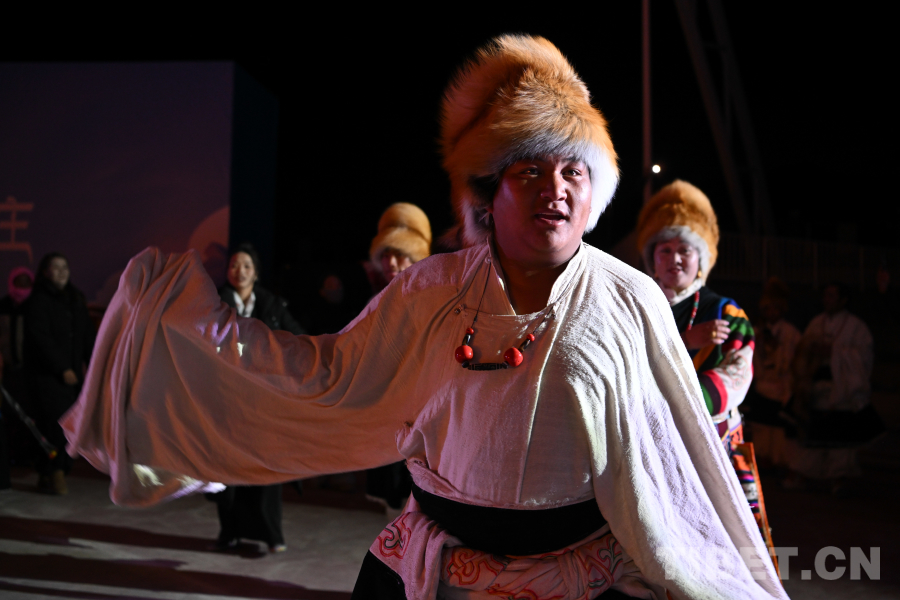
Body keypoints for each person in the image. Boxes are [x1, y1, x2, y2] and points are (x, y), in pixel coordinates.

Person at [63, 36, 785, 599]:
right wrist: (195, 326)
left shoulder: (630, 298)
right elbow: (325, 378)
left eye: (573, 171)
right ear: (490, 193)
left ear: (594, 191)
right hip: (434, 572)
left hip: (582, 575)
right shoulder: (429, 289)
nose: (555, 189)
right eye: (529, 169)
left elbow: (676, 453)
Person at [635, 181, 776, 560]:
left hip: (712, 442)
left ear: (701, 258)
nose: (676, 259)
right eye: (665, 250)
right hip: (648, 443)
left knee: (722, 548)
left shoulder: (725, 310)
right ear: (652, 258)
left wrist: (679, 406)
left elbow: (737, 374)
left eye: (685, 249)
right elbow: (622, 366)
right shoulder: (636, 307)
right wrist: (685, 340)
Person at [212, 243, 305, 552]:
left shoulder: (272, 305)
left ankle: (271, 534)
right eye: (234, 265)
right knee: (227, 468)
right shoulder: (214, 303)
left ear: (256, 273)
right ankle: (229, 531)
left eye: (246, 266)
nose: (239, 271)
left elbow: (297, 337)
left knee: (267, 465)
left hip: (264, 400)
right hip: (227, 398)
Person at [363, 203, 432, 516]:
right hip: (386, 415)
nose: (390, 262)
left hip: (423, 416)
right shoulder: (377, 299)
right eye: (385, 254)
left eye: (400, 253)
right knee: (393, 507)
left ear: (416, 254)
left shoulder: (436, 297)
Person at [788, 282, 882, 495]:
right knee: (813, 433)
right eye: (825, 295)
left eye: (831, 296)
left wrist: (835, 352)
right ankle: (803, 474)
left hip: (841, 388)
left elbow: (864, 356)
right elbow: (803, 350)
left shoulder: (857, 326)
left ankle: (839, 479)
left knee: (841, 437)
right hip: (816, 388)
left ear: (843, 299)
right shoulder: (816, 322)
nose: (826, 300)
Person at [25, 253, 94, 495]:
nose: (62, 271)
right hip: (48, 379)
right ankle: (53, 472)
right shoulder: (38, 301)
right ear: (45, 272)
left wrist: (94, 366)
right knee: (52, 425)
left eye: (65, 267)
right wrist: (62, 367)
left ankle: (54, 472)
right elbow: (40, 339)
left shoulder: (75, 299)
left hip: (73, 379)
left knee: (70, 426)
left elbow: (87, 337)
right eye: (56, 267)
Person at [743, 278, 801, 469]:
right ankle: (763, 464)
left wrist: (777, 348)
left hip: (783, 386)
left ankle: (781, 466)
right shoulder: (756, 331)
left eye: (776, 308)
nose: (771, 312)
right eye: (768, 308)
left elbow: (794, 360)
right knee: (761, 428)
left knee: (780, 432)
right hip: (761, 385)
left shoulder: (791, 333)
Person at [0, 266, 35, 489]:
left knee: (28, 414)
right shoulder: (3, 305)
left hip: (29, 372)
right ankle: (12, 455)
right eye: (18, 281)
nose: (22, 286)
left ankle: (26, 455)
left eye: (26, 282)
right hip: (7, 371)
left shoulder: (34, 307)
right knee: (9, 414)